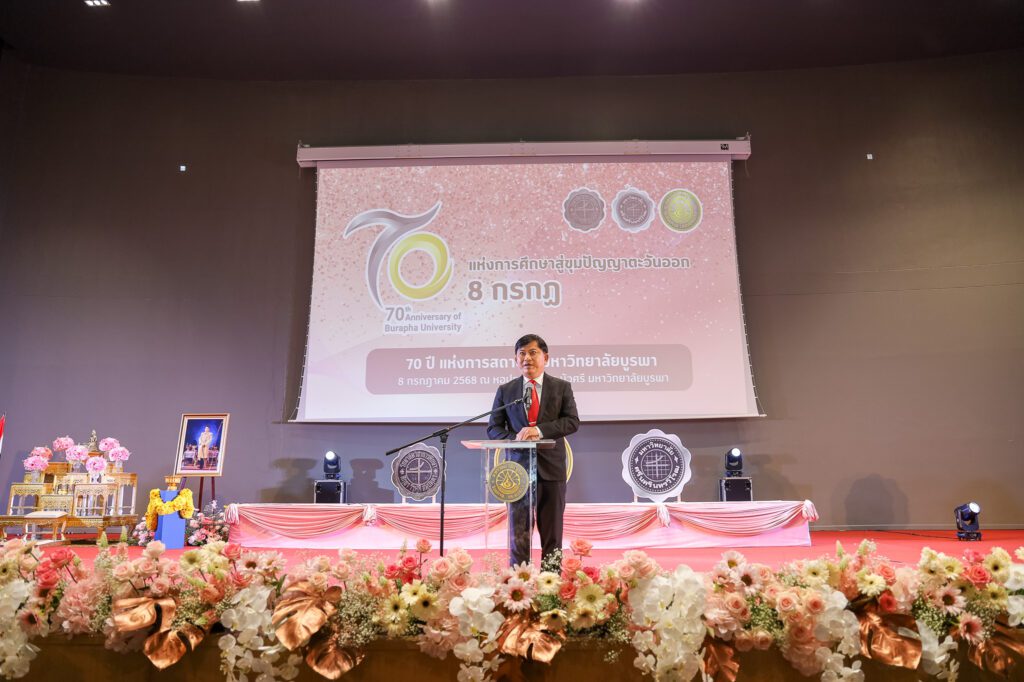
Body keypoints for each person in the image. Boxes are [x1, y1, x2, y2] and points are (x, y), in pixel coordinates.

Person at [487, 334, 579, 566]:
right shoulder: (506, 390)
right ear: (516, 359)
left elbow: (572, 422)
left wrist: (538, 430)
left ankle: (551, 584)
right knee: (519, 536)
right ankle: (518, 582)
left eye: (532, 352)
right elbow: (493, 428)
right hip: (516, 474)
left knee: (552, 535)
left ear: (545, 357)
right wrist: (516, 438)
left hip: (551, 470)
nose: (527, 358)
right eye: (522, 353)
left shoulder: (561, 387)